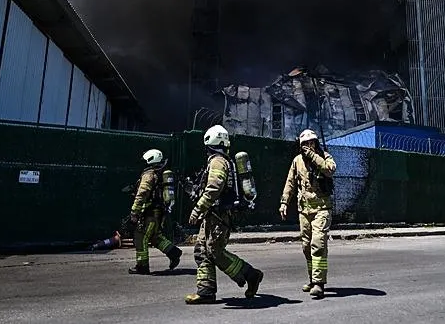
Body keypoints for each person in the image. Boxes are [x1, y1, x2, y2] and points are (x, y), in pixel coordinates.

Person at [184, 124, 264, 304]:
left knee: (215, 252)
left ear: (209, 143)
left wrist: (198, 209)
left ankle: (251, 275)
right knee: (202, 251)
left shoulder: (218, 161)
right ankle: (205, 291)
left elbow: (214, 187)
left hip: (218, 215)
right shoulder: (218, 159)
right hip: (213, 215)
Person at [279, 128, 337, 299]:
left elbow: (330, 169)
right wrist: (284, 203)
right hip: (304, 210)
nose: (308, 146)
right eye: (304, 144)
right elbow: (290, 182)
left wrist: (313, 156)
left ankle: (319, 283)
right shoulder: (297, 161)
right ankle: (312, 279)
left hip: (321, 209)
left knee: (318, 244)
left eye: (311, 142)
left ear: (316, 143)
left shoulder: (324, 156)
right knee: (306, 246)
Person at [128, 148, 183, 275]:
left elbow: (142, 194)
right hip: (156, 212)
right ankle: (173, 252)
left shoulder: (148, 175)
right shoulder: (158, 173)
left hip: (150, 213)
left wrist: (134, 212)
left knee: (141, 237)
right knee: (154, 237)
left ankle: (142, 266)